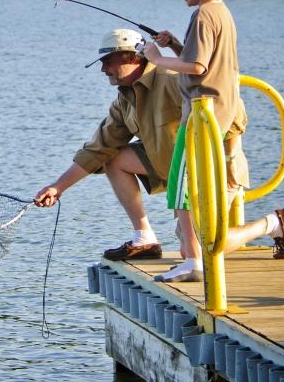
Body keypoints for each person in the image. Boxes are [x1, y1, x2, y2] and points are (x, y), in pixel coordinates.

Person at [143, 0, 284, 283]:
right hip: (221, 111)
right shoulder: (220, 12)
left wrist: (155, 58)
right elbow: (204, 61)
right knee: (189, 189)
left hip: (202, 114)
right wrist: (173, 46)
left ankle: (194, 261)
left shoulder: (202, 16)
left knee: (180, 188)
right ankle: (196, 254)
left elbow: (197, 68)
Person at [34, 28, 182, 260]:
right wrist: (57, 187)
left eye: (108, 62)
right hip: (172, 170)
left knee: (198, 247)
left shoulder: (171, 78)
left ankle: (262, 225)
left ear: (133, 57)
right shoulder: (124, 99)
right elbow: (98, 149)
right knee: (112, 158)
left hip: (204, 173)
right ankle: (145, 238)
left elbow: (224, 109)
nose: (103, 70)